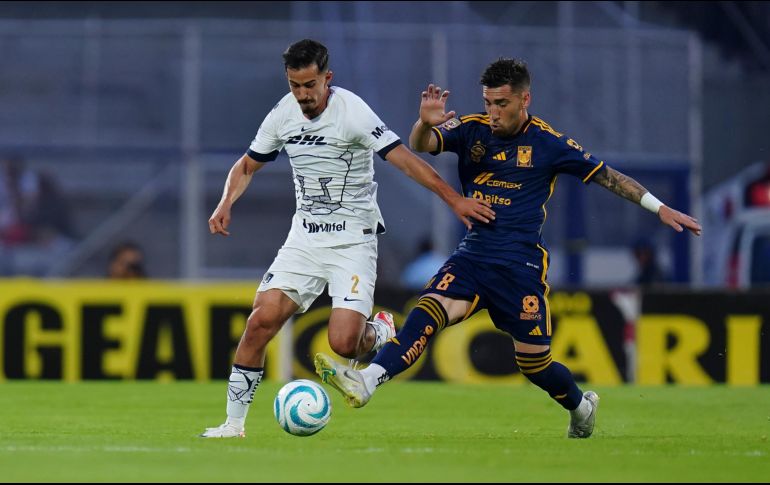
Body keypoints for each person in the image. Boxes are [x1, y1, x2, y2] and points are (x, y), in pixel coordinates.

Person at [314, 57, 702, 439]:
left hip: (520, 267)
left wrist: (660, 207)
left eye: (502, 104)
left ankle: (581, 407)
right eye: (488, 103)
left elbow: (607, 177)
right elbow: (422, 144)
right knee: (428, 311)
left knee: (535, 364)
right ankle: (367, 380)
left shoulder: (549, 143)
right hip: (473, 256)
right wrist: (422, 123)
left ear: (524, 100)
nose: (493, 113)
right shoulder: (471, 130)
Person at [200, 39, 494, 438]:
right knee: (259, 322)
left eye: (309, 84)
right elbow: (247, 164)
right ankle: (233, 425)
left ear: (327, 78)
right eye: (294, 85)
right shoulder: (282, 114)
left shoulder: (352, 111)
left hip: (352, 242)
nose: (303, 94)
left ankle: (380, 331)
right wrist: (225, 202)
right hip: (303, 240)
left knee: (343, 344)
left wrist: (454, 199)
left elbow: (404, 160)